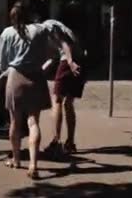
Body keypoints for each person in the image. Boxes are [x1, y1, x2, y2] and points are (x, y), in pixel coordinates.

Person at [0, 1, 53, 179]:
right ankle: (33, 164)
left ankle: (16, 159)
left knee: (15, 121)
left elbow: (2, 62)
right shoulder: (40, 30)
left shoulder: (7, 33)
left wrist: (5, 70)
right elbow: (49, 53)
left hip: (16, 77)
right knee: (33, 122)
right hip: (36, 77)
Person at [41, 19, 86, 158]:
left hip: (69, 61)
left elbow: (64, 43)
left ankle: (56, 143)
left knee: (57, 100)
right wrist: (39, 72)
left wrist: (70, 62)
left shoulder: (48, 26)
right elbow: (53, 58)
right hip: (81, 61)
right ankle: (70, 142)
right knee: (68, 103)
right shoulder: (58, 27)